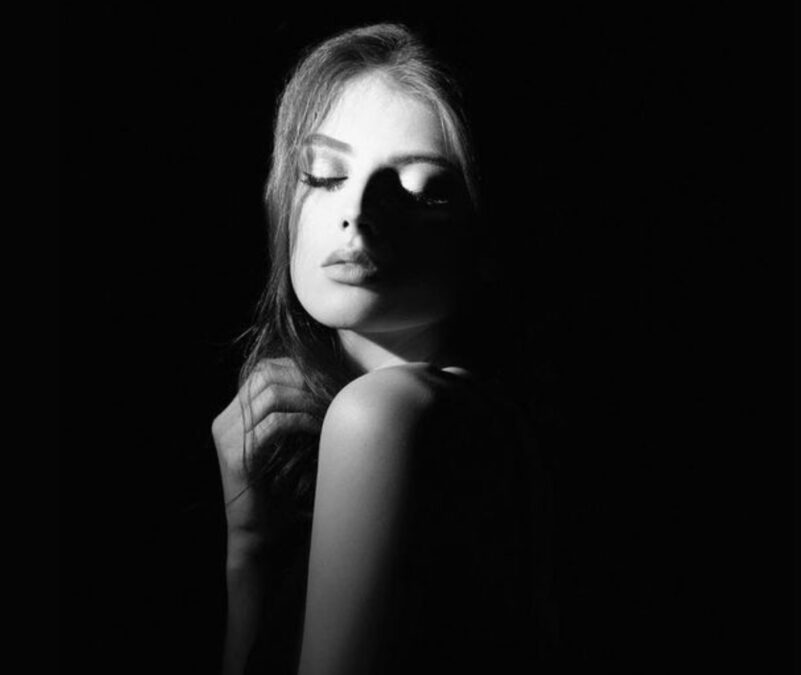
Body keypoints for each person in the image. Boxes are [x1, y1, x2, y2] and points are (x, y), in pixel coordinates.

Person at [209, 22, 554, 673]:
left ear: (489, 236)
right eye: (325, 174)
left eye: (425, 188)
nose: (359, 210)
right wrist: (250, 553)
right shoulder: (475, 423)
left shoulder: (384, 414)